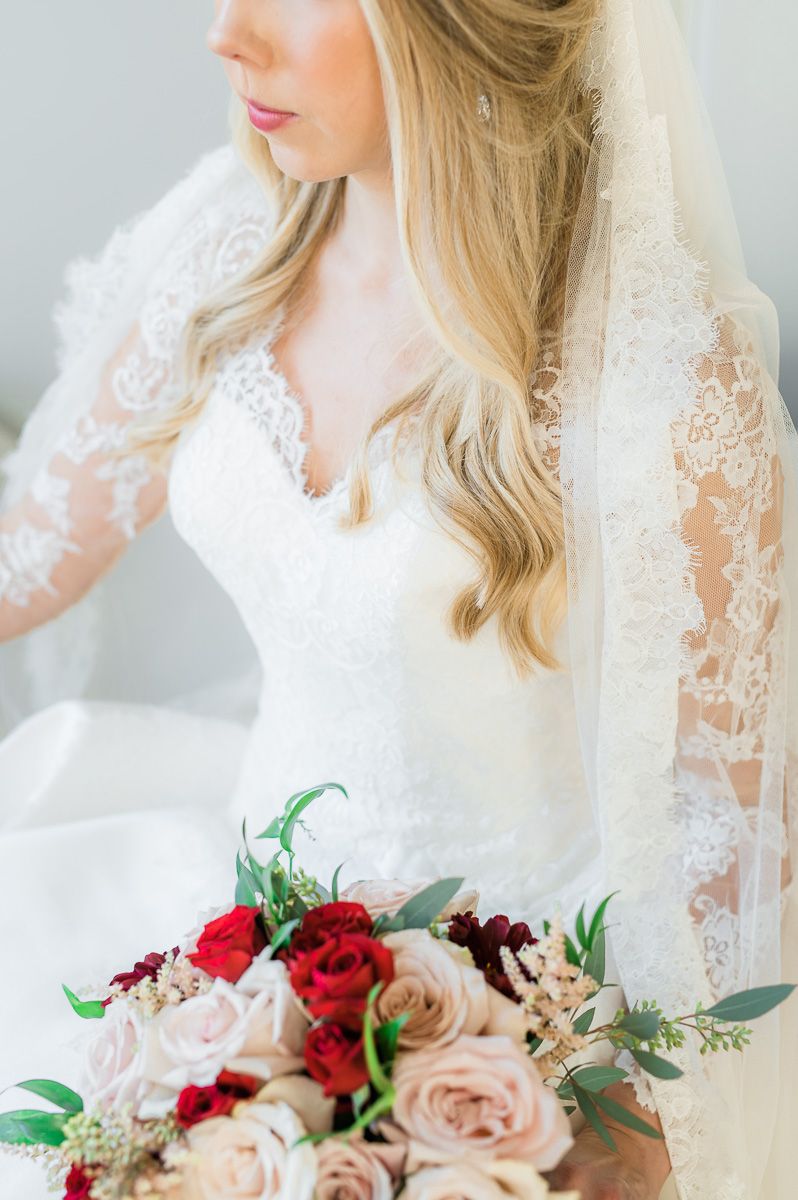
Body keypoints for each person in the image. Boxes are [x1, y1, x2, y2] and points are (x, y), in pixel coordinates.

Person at [0, 1, 795, 1197]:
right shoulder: (230, 250)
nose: (226, 34)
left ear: (463, 25)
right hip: (226, 957)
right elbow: (27, 555)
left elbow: (735, 860)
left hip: (538, 1030)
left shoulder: (660, 383)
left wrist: (593, 1130)